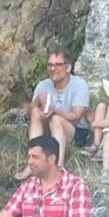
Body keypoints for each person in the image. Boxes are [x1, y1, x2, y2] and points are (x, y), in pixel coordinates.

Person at [20, 48, 90, 177]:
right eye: (50, 65)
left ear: (68, 67)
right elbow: (29, 115)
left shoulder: (80, 85)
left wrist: (54, 110)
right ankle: (32, 162)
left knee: (55, 119)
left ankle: (59, 167)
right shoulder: (43, 85)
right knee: (36, 112)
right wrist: (36, 101)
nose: (53, 68)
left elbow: (76, 117)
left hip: (75, 131)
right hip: (50, 132)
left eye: (58, 65)